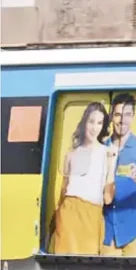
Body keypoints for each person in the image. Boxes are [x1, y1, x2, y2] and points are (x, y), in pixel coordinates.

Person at [49, 102, 117, 255]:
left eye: (99, 123)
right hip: (69, 213)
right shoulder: (71, 154)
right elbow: (64, 190)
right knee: (64, 267)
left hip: (92, 216)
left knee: (88, 266)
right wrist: (56, 217)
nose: (94, 127)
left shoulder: (107, 153)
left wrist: (112, 165)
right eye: (91, 121)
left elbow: (108, 199)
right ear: (84, 122)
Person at [102, 93, 136, 257]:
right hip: (106, 226)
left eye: (127, 115)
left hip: (132, 228)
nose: (122, 120)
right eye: (117, 115)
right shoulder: (101, 147)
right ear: (111, 117)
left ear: (133, 117)